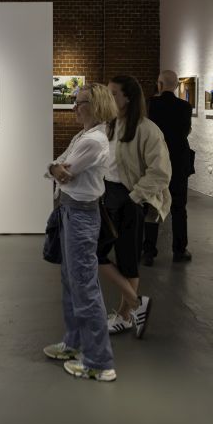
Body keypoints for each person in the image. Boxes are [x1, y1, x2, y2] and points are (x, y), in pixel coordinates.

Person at [42, 83, 120, 382]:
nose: (74, 107)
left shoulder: (93, 141)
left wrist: (57, 169)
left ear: (97, 105)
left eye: (80, 103)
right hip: (69, 213)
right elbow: (52, 167)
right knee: (72, 283)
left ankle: (100, 362)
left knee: (85, 287)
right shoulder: (81, 136)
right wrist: (55, 168)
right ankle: (74, 344)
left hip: (80, 216)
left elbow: (64, 170)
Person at [101, 75, 171, 339]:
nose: (109, 98)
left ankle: (124, 315)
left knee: (127, 259)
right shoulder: (110, 126)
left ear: (128, 97)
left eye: (114, 94)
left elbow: (161, 173)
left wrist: (135, 197)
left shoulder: (147, 130)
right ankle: (133, 305)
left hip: (131, 200)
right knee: (98, 252)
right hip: (109, 196)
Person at [143, 70, 194, 265]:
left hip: (156, 161)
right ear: (176, 86)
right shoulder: (185, 107)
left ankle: (149, 251)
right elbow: (186, 131)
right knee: (179, 208)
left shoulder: (151, 105)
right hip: (179, 162)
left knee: (153, 205)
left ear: (160, 84)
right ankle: (179, 250)